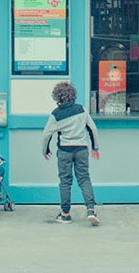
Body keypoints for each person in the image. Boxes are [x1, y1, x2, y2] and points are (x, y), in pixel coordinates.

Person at [40, 80, 101, 226]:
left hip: (64, 151)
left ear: (57, 97)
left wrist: (45, 150)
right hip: (81, 150)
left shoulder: (56, 114)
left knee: (65, 182)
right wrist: (95, 148)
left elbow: (46, 135)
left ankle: (65, 214)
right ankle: (91, 210)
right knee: (84, 178)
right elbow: (92, 129)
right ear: (73, 95)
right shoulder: (81, 109)